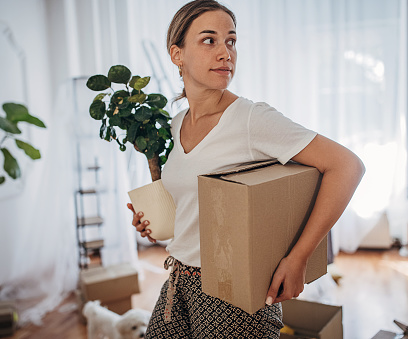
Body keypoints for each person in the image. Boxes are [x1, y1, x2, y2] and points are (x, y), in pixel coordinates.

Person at [127, 1, 365, 338]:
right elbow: (200, 204)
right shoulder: (177, 122)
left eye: (231, 41)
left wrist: (298, 258)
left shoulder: (252, 118)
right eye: (209, 40)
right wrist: (155, 223)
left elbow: (347, 166)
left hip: (233, 291)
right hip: (178, 282)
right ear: (177, 54)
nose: (225, 52)